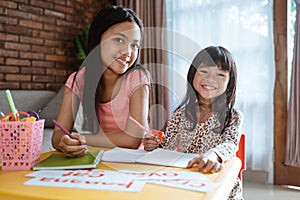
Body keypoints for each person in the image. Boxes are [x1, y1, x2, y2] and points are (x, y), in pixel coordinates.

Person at [143, 46, 243, 200]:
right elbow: (168, 149)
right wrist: (155, 146)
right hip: (186, 181)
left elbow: (230, 144)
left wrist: (213, 155)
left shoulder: (233, 116)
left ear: (229, 83)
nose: (210, 79)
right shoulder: (180, 114)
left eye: (220, 74)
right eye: (204, 71)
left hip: (218, 185)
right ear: (192, 74)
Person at [52, 6, 151, 158]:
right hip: (99, 156)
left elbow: (132, 140)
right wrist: (64, 142)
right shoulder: (79, 79)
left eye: (134, 45)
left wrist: (83, 139)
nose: (128, 52)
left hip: (135, 159)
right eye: (119, 40)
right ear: (98, 40)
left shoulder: (137, 77)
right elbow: (58, 133)